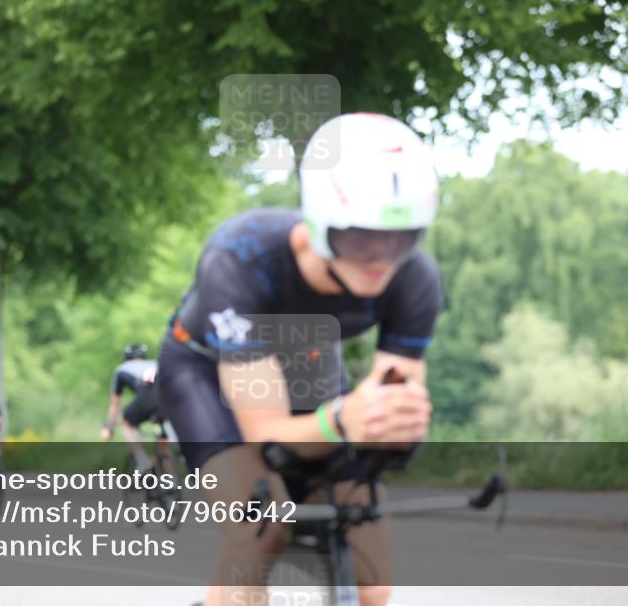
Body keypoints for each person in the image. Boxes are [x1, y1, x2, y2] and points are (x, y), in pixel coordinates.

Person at [157, 112, 442, 606]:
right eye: (359, 238)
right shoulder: (240, 258)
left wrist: (394, 423)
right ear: (318, 222)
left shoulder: (415, 277)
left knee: (374, 583)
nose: (381, 259)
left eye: (402, 238)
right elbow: (266, 433)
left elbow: (390, 407)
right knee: (260, 531)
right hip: (206, 372)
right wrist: (341, 421)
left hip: (310, 363)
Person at [100, 344, 163, 471]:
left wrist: (109, 428)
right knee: (164, 437)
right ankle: (172, 478)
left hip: (147, 397)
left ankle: (143, 460)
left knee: (127, 422)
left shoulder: (122, 369)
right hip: (168, 399)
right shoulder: (155, 363)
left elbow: (114, 406)